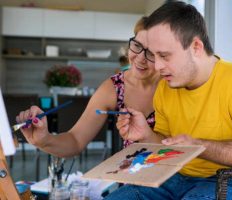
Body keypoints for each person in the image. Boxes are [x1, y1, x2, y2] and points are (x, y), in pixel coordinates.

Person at [111, 2, 232, 200]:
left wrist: (199, 146)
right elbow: (169, 146)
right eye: (153, 55)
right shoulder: (165, 88)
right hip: (178, 177)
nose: (157, 66)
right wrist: (146, 135)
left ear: (196, 47)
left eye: (165, 56)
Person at [16, 16, 160, 157]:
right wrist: (45, 140)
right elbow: (76, 141)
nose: (140, 58)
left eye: (151, 52)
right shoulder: (114, 88)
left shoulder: (173, 84)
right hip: (132, 177)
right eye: (137, 45)